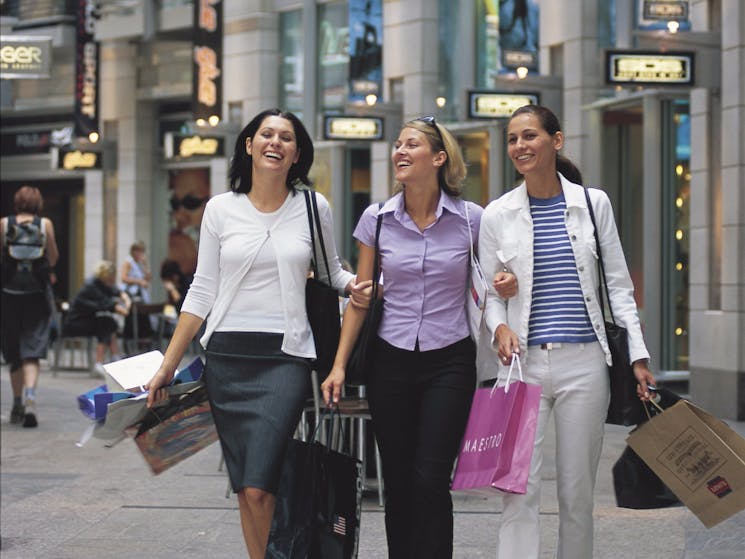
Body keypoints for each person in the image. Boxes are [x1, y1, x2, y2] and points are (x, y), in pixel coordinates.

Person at [144, 108, 370, 558]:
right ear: (248, 144)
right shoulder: (220, 210)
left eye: (286, 137)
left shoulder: (312, 206)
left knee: (261, 485)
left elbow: (331, 270)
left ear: (296, 153)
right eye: (266, 134)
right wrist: (167, 364)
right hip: (227, 358)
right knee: (246, 488)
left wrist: (355, 288)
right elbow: (202, 290)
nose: (275, 142)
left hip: (284, 359)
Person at [321, 116, 516, 559]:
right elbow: (361, 297)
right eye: (397, 145)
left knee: (430, 477)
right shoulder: (378, 218)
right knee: (399, 478)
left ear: (439, 157)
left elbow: (491, 277)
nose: (400, 152)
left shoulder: (471, 219)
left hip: (450, 360)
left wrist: (506, 284)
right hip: (390, 360)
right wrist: (338, 365)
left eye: (412, 145)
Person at [478, 104, 657, 559]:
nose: (520, 146)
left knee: (577, 495)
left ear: (556, 141)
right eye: (513, 138)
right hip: (523, 366)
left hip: (585, 363)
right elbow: (488, 292)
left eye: (530, 136)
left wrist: (637, 355)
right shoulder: (497, 214)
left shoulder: (592, 204)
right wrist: (499, 325)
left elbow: (618, 286)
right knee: (517, 489)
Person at [1, 185, 59, 428]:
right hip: (36, 294)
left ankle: (16, 403)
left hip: (8, 295)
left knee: (14, 352)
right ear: (38, 203)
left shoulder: (4, 224)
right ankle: (31, 400)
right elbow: (53, 257)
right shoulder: (45, 224)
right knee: (32, 350)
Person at [64, 260, 131, 372]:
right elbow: (105, 302)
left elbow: (114, 291)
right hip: (75, 322)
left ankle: (113, 357)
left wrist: (125, 297)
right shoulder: (91, 286)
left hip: (85, 319)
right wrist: (121, 309)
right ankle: (101, 361)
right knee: (106, 324)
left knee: (108, 323)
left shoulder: (99, 283)